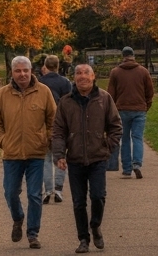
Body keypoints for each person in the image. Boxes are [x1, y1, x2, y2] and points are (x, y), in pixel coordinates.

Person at [0, 55, 57, 250]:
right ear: (12, 73)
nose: (22, 74)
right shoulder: (2, 94)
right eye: (18, 71)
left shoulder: (44, 92)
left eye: (25, 70)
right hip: (12, 154)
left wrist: (49, 140)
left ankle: (33, 234)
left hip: (36, 153)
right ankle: (18, 218)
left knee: (35, 195)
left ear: (31, 71)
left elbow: (53, 119)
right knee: (10, 193)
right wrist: (2, 141)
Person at [52, 63, 121, 253]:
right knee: (78, 202)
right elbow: (58, 131)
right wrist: (59, 154)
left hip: (98, 157)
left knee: (98, 196)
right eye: (78, 73)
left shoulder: (104, 99)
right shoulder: (66, 102)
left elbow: (116, 126)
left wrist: (108, 145)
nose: (82, 76)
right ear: (74, 77)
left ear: (93, 77)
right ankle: (83, 238)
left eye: (86, 73)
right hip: (74, 159)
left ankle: (96, 225)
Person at [107, 46, 155, 178]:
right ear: (133, 56)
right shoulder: (143, 72)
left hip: (122, 109)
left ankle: (127, 168)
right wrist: (146, 105)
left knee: (125, 139)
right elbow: (150, 92)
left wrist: (112, 110)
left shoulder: (115, 72)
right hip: (139, 109)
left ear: (123, 56)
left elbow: (110, 94)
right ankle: (137, 164)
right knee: (138, 137)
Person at [38, 55, 72, 205]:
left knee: (45, 159)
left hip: (43, 124)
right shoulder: (65, 82)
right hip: (60, 123)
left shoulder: (39, 83)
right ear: (58, 66)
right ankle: (58, 189)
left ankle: (48, 190)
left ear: (45, 66)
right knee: (60, 157)